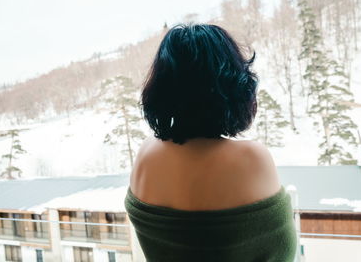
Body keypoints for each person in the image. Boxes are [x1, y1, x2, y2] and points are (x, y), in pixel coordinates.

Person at [124, 23, 297, 262]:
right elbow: (282, 253)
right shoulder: (251, 159)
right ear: (235, 85)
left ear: (161, 87)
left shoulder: (146, 155)